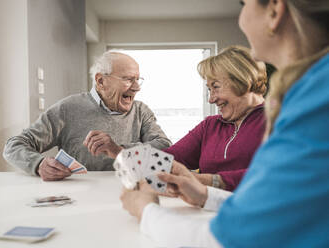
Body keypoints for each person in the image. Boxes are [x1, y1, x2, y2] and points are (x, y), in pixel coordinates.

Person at [120, 0, 329, 247]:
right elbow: (272, 205)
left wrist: (144, 210)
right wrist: (206, 195)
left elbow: (225, 238)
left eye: (244, 4)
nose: (241, 18)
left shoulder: (314, 101)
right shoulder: (307, 91)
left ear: (274, 9)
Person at [3, 52, 171, 181]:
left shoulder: (141, 111)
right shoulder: (67, 109)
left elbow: (165, 147)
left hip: (130, 192)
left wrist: (118, 149)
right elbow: (14, 146)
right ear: (100, 81)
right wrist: (38, 164)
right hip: (79, 197)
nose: (136, 88)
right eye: (128, 79)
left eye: (137, 80)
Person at [165, 45, 267, 191]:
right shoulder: (210, 125)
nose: (211, 99)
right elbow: (168, 159)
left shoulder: (279, 121)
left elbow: (276, 174)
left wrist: (208, 181)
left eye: (216, 87)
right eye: (209, 89)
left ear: (242, 80)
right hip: (205, 209)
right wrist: (124, 156)